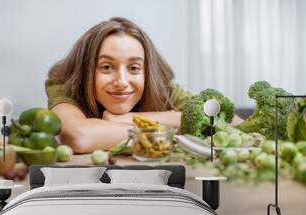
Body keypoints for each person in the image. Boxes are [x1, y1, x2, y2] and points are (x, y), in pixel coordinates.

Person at [45, 17, 242, 153]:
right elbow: (79, 136)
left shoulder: (162, 89)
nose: (122, 82)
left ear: (147, 71)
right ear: (86, 69)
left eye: (134, 68)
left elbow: (235, 124)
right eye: (106, 67)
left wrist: (133, 119)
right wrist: (173, 123)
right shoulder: (65, 83)